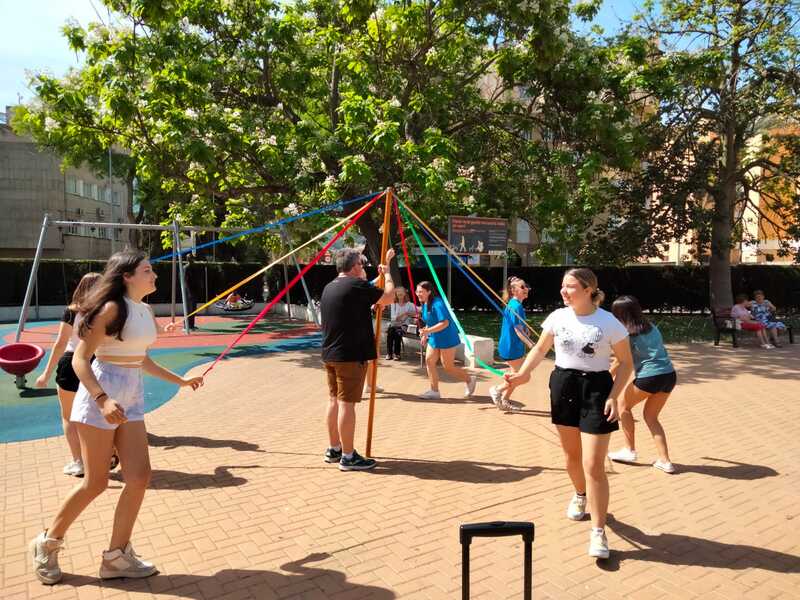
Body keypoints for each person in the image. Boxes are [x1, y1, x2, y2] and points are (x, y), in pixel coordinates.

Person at [29, 251, 204, 585]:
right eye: (147, 270)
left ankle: (116, 556)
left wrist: (181, 381)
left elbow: (142, 360)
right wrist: (102, 398)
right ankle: (46, 543)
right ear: (127, 276)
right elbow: (81, 359)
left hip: (131, 400)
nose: (154, 275)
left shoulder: (143, 310)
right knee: (95, 483)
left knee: (139, 476)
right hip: (100, 398)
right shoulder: (112, 309)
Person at [500, 268, 633, 559]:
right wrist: (522, 375)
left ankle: (598, 532)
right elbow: (539, 349)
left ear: (588, 290)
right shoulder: (558, 317)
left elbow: (626, 363)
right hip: (563, 385)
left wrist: (614, 395)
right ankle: (580, 495)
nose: (564, 291)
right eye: (563, 286)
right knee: (572, 456)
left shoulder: (608, 322)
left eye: (570, 286)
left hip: (597, 389)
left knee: (593, 463)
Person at [321, 247, 395, 471]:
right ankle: (348, 456)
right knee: (347, 404)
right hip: (350, 356)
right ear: (354, 267)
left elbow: (367, 298)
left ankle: (334, 448)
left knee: (334, 400)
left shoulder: (330, 287)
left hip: (331, 354)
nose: (363, 268)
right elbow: (389, 296)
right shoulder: (356, 286)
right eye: (361, 265)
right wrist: (388, 272)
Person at [35, 272, 102, 477]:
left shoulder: (72, 312)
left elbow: (60, 344)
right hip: (95, 364)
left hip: (71, 364)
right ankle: (103, 455)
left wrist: (45, 374)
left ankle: (79, 462)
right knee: (96, 414)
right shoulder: (106, 311)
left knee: (69, 416)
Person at [608, 295, 677, 474]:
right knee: (651, 417)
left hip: (650, 376)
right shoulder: (650, 326)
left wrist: (605, 377)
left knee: (623, 406)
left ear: (620, 314)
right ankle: (665, 461)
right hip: (669, 375)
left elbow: (618, 361)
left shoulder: (626, 333)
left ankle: (629, 450)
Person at [415, 281, 477, 400]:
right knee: (429, 360)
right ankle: (434, 391)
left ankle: (469, 379)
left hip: (447, 337)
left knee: (448, 367)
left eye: (421, 292)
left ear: (429, 292)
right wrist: (425, 335)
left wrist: (427, 332)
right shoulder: (424, 303)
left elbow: (445, 323)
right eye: (417, 291)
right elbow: (430, 321)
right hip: (434, 337)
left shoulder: (438, 304)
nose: (418, 294)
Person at [490, 277, 534, 411]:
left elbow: (519, 326)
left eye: (526, 286)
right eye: (522, 287)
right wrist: (531, 344)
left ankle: (504, 400)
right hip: (511, 346)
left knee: (516, 375)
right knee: (524, 376)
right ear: (514, 290)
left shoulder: (515, 304)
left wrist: (526, 331)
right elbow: (517, 329)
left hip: (513, 345)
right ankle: (497, 390)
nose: (526, 289)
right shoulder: (516, 306)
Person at [386, 287, 417, 360]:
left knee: (398, 333)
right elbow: (394, 318)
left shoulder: (409, 304)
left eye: (401, 292)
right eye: (398, 292)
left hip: (403, 326)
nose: (399, 293)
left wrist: (409, 314)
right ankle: (389, 353)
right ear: (395, 294)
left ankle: (397, 354)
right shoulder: (394, 304)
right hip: (394, 325)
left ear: (405, 293)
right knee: (390, 332)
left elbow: (417, 312)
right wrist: (405, 313)